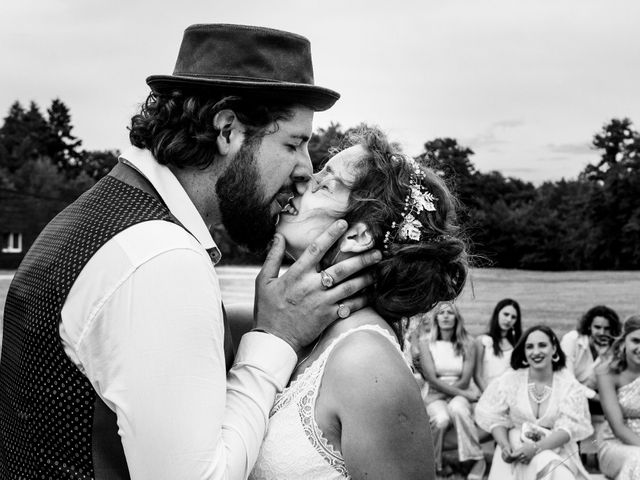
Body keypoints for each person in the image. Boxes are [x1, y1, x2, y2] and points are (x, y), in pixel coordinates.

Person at [0, 24, 380, 479]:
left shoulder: (101, 215)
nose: (306, 168)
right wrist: (275, 341)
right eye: (293, 143)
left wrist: (268, 316)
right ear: (227, 130)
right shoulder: (160, 258)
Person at [249, 126, 468, 479]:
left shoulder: (366, 364)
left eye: (325, 182)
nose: (303, 181)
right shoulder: (301, 329)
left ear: (358, 234)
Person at [476, 325, 592, 480]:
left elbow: (567, 430)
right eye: (529, 347)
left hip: (556, 449)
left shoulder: (568, 385)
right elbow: (495, 419)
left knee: (552, 467)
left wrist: (536, 448)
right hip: (516, 447)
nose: (536, 352)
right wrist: (504, 446)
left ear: (554, 348)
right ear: (524, 352)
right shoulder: (510, 380)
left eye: (542, 345)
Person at [419, 302, 485, 479]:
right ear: (436, 318)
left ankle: (475, 458)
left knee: (458, 410)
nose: (446, 316)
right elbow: (431, 378)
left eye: (450, 313)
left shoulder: (468, 343)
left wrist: (445, 394)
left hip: (450, 391)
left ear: (456, 318)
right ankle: (434, 466)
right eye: (442, 313)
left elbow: (465, 379)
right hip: (439, 392)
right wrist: (464, 395)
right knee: (441, 419)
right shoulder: (425, 343)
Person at [595, 315, 640, 480]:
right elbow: (618, 428)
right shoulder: (607, 373)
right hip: (615, 445)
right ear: (623, 342)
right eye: (636, 341)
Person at [561, 305, 621, 412]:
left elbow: (592, 384)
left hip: (589, 396)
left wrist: (603, 357)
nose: (602, 333)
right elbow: (567, 381)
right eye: (597, 327)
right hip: (566, 395)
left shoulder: (612, 349)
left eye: (607, 329)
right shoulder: (572, 340)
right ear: (589, 326)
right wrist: (597, 398)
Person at [474, 298, 522, 392]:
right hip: (485, 392)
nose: (509, 319)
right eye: (506, 314)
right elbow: (477, 376)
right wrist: (489, 396)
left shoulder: (518, 344)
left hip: (509, 393)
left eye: (513, 317)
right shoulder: (482, 341)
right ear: (497, 313)